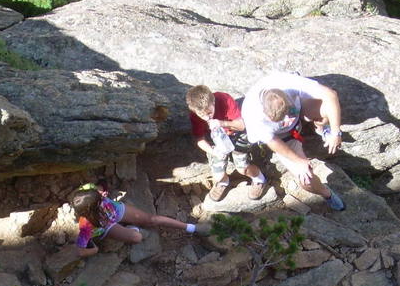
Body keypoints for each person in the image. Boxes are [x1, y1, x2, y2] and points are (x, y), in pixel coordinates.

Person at [241, 72, 346, 211]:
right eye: (280, 119)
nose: (286, 120)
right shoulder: (252, 115)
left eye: (286, 113)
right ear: (265, 113)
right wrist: (299, 162)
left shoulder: (288, 83)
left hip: (301, 109)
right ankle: (327, 194)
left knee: (327, 108)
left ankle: (320, 127)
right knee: (306, 180)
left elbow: (330, 95)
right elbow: (274, 143)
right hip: (283, 137)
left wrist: (335, 131)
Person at [72, 186, 207, 257]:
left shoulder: (91, 193)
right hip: (106, 226)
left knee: (151, 219)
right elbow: (80, 251)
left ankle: (191, 227)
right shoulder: (86, 227)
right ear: (93, 209)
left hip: (115, 210)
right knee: (137, 237)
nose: (102, 196)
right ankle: (131, 228)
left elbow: (99, 188)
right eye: (100, 199)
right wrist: (94, 250)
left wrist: (101, 189)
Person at [186, 85, 267, 202]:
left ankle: (259, 179)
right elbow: (200, 139)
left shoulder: (224, 99)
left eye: (209, 112)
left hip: (236, 133)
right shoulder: (195, 114)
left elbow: (241, 125)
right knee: (218, 174)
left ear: (213, 101)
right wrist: (213, 151)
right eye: (201, 115)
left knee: (242, 167)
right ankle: (223, 182)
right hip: (217, 139)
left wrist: (221, 123)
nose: (206, 117)